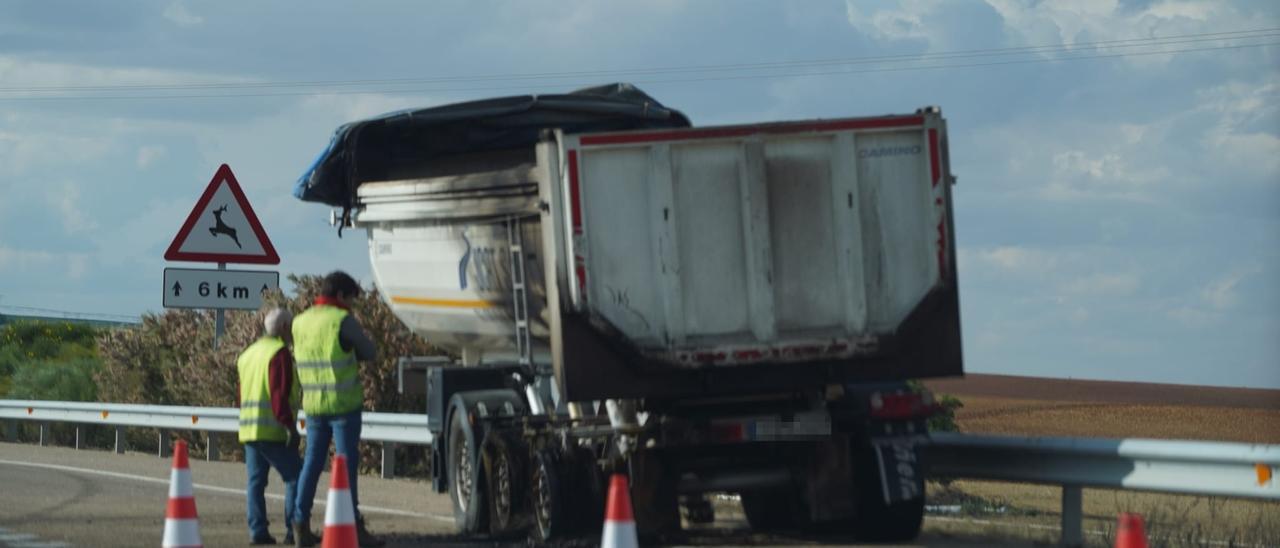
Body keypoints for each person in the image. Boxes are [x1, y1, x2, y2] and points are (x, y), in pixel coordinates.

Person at [291, 271, 384, 547]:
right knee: (345, 465)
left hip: (314, 405)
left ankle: (300, 523)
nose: (352, 305)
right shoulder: (341, 320)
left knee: (312, 462)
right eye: (351, 299)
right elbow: (369, 351)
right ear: (341, 296)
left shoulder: (300, 321)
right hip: (344, 406)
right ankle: (352, 525)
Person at [237, 308, 303, 545]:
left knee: (255, 482)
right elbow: (278, 394)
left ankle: (258, 532)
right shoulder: (279, 353)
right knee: (296, 476)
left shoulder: (248, 353)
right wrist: (289, 427)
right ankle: (293, 530)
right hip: (273, 429)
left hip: (249, 428)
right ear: (285, 327)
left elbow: (242, 394)